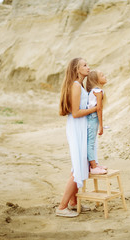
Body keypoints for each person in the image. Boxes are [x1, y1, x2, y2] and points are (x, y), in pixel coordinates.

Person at [56, 58, 97, 217]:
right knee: (78, 168)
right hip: (77, 127)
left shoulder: (79, 85)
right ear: (77, 69)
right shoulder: (75, 86)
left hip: (81, 127)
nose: (88, 67)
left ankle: (73, 202)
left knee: (78, 167)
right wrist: (95, 109)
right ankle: (61, 207)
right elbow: (76, 113)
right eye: (85, 65)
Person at [86, 70, 108, 174]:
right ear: (96, 80)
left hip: (92, 118)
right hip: (92, 118)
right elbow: (98, 109)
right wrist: (101, 126)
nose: (105, 76)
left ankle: (96, 164)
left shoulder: (97, 90)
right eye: (102, 75)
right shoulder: (98, 91)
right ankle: (93, 167)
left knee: (93, 143)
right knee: (91, 143)